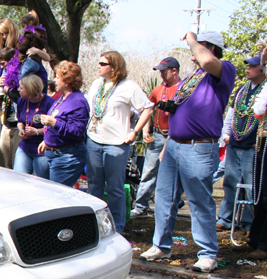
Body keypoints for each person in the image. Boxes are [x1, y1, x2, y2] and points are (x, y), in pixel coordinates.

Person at [140, 31, 236, 273]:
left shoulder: (223, 70)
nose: (192, 52)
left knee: (199, 200)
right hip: (174, 144)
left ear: (210, 47)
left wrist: (192, 39)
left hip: (199, 146)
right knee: (164, 197)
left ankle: (207, 253)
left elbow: (206, 61)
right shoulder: (192, 78)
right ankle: (161, 245)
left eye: (199, 46)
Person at [84, 50, 152, 234]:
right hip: (94, 140)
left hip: (117, 143)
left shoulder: (128, 86)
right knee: (94, 186)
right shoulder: (97, 84)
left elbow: (147, 108)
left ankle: (118, 228)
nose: (98, 66)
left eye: (102, 63)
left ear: (114, 67)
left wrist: (135, 132)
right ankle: (94, 228)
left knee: (115, 188)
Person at [216, 54, 266, 232]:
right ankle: (226, 218)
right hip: (235, 143)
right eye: (248, 66)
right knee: (230, 182)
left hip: (253, 146)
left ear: (263, 68)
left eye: (252, 66)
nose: (248, 68)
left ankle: (249, 222)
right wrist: (226, 133)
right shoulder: (241, 91)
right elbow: (231, 113)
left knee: (252, 186)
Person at [131, 57, 182, 219]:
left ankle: (173, 203)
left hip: (176, 138)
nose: (161, 74)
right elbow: (148, 109)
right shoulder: (158, 90)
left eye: (164, 71)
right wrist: (146, 130)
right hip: (158, 135)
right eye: (160, 71)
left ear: (175, 70)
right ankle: (140, 206)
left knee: (175, 174)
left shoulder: (183, 89)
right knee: (148, 171)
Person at [37, 61, 89, 187]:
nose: (54, 80)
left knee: (55, 197)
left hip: (67, 157)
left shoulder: (78, 102)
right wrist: (47, 140)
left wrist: (54, 123)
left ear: (67, 80)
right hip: (53, 154)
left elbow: (78, 131)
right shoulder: (62, 98)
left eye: (57, 77)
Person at [247, 40, 267, 260]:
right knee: (259, 194)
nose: (265, 64)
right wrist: (265, 53)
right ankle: (255, 240)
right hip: (264, 141)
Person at [15, 74, 56, 178]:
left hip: (41, 151)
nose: (18, 89)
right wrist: (21, 129)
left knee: (40, 184)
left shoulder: (49, 103)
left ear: (30, 89)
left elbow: (53, 127)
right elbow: (20, 120)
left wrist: (37, 131)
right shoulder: (22, 101)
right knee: (18, 178)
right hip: (24, 148)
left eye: (21, 87)